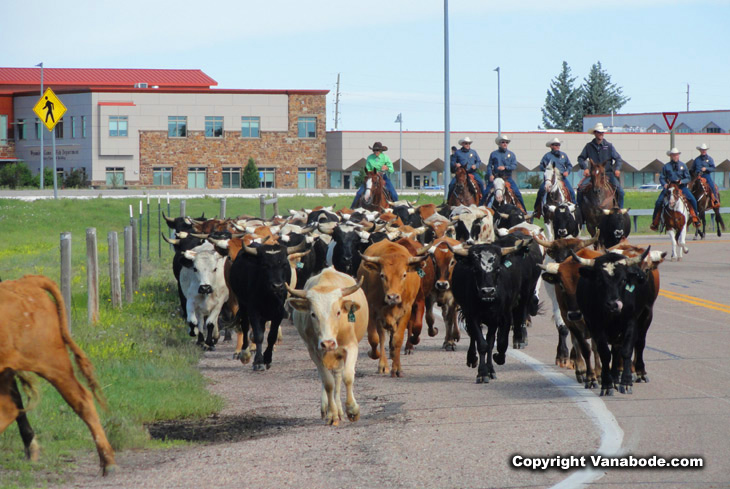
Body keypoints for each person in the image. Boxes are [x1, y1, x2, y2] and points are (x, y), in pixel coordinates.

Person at [650, 148, 700, 230]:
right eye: (674, 155)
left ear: (678, 155)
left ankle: (695, 218)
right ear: (671, 156)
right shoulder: (666, 166)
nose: (676, 156)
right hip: (670, 187)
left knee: (693, 199)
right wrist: (664, 184)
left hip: (681, 187)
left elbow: (688, 178)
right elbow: (662, 178)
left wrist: (682, 181)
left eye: (677, 155)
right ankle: (655, 221)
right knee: (659, 202)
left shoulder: (683, 166)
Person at [577, 122, 625, 208]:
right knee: (580, 190)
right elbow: (581, 158)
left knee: (621, 192)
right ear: (595, 133)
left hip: (608, 174)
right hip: (593, 175)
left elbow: (618, 159)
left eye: (602, 132)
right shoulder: (589, 146)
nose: (601, 134)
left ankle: (619, 213)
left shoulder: (609, 146)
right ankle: (580, 214)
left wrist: (617, 169)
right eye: (599, 132)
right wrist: (585, 168)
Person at [534, 137, 575, 219]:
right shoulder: (547, 156)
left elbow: (569, 165)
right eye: (554, 145)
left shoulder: (564, 155)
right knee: (541, 191)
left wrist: (567, 171)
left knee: (571, 191)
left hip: (562, 178)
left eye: (558, 145)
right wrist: (547, 170)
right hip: (550, 179)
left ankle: (574, 209)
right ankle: (537, 210)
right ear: (551, 146)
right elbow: (541, 166)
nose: (556, 146)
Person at [351, 142, 398, 208]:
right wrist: (373, 172)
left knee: (394, 194)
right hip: (371, 177)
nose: (376, 151)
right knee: (359, 193)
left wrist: (387, 168)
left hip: (383, 177)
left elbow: (392, 169)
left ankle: (397, 210)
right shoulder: (369, 158)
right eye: (374, 150)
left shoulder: (385, 157)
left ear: (381, 150)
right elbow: (367, 169)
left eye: (378, 150)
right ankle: (352, 209)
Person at [483, 135, 525, 209]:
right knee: (486, 193)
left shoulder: (511, 154)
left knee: (517, 194)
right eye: (503, 142)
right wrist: (490, 175)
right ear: (499, 143)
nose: (505, 143)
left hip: (507, 178)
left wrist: (505, 167)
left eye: (506, 142)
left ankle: (524, 212)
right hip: (496, 178)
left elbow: (514, 165)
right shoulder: (493, 154)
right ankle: (480, 211)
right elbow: (489, 166)